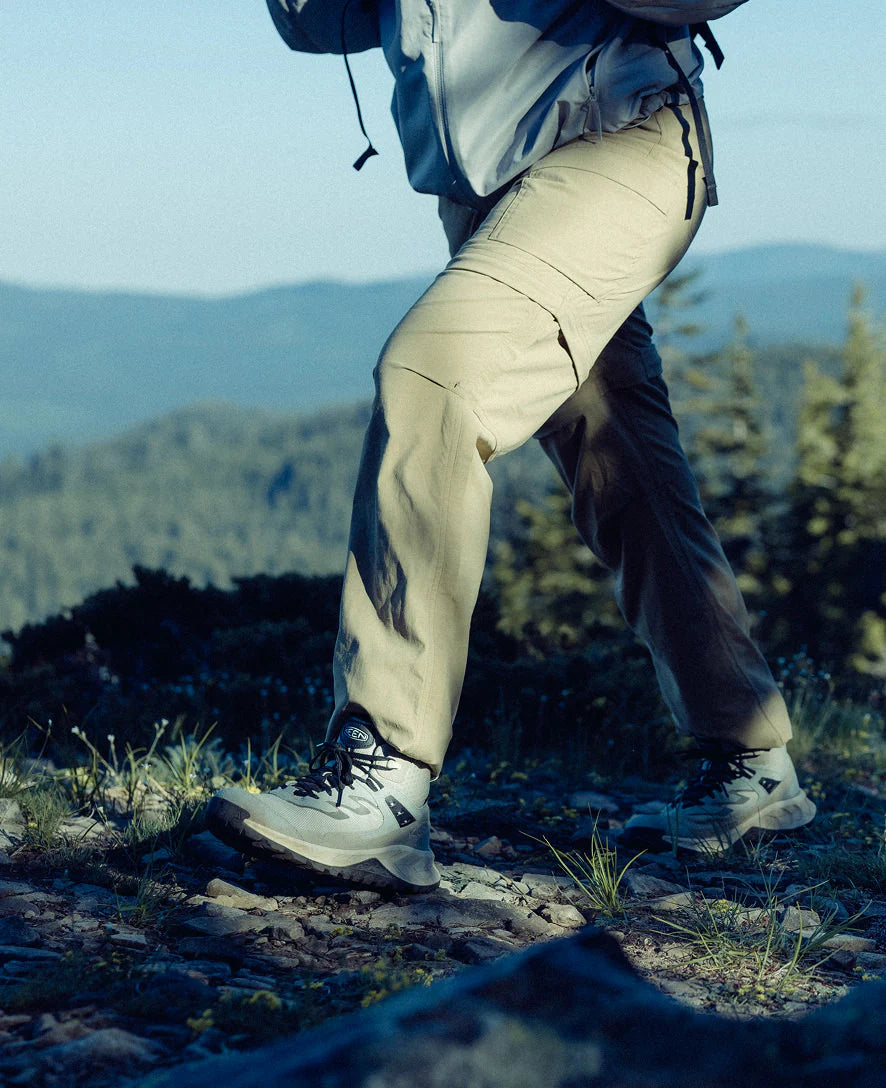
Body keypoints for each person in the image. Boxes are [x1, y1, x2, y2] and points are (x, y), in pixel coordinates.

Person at [207, 0, 816, 891]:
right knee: (623, 465)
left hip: (618, 147)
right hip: (491, 195)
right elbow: (319, 23)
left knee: (433, 382)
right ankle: (752, 758)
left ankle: (383, 781)